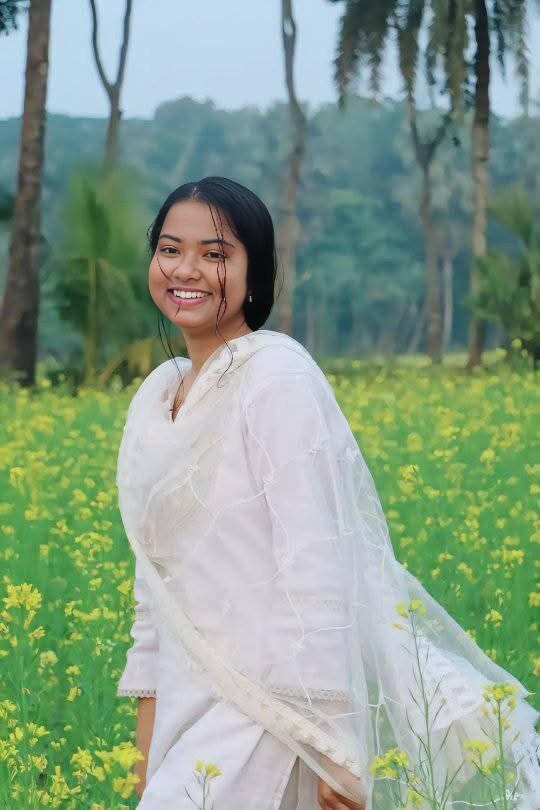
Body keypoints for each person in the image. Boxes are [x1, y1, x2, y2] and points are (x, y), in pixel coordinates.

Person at [116, 177, 539, 810]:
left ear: (255, 275)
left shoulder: (276, 378)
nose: (186, 270)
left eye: (215, 254)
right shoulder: (157, 399)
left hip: (270, 711)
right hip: (186, 709)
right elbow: (155, 588)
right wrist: (144, 749)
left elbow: (316, 567)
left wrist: (338, 748)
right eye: (170, 249)